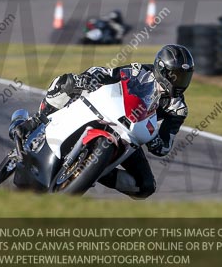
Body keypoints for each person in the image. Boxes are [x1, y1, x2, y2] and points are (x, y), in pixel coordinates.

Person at [15, 44, 194, 199]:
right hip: (109, 112)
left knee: (146, 187)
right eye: (176, 76)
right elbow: (108, 73)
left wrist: (155, 141)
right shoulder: (139, 71)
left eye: (185, 77)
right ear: (162, 70)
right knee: (65, 82)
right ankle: (36, 121)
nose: (180, 82)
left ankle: (93, 172)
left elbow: (165, 145)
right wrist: (88, 79)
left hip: (130, 134)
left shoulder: (178, 108)